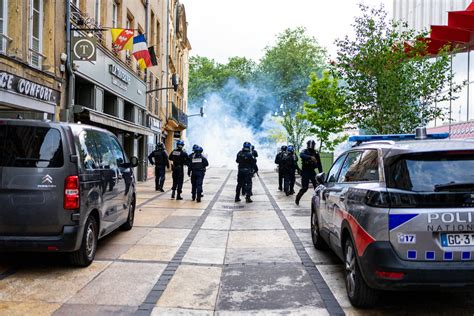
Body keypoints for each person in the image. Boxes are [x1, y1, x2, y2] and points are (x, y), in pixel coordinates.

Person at [295, 140, 323, 205]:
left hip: (312, 171)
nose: (311, 146)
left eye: (312, 145)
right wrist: (310, 157)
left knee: (316, 187)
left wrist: (321, 173)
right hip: (305, 171)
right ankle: (298, 198)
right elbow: (301, 155)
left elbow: (319, 164)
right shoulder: (304, 151)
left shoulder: (316, 153)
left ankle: (318, 201)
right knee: (305, 187)